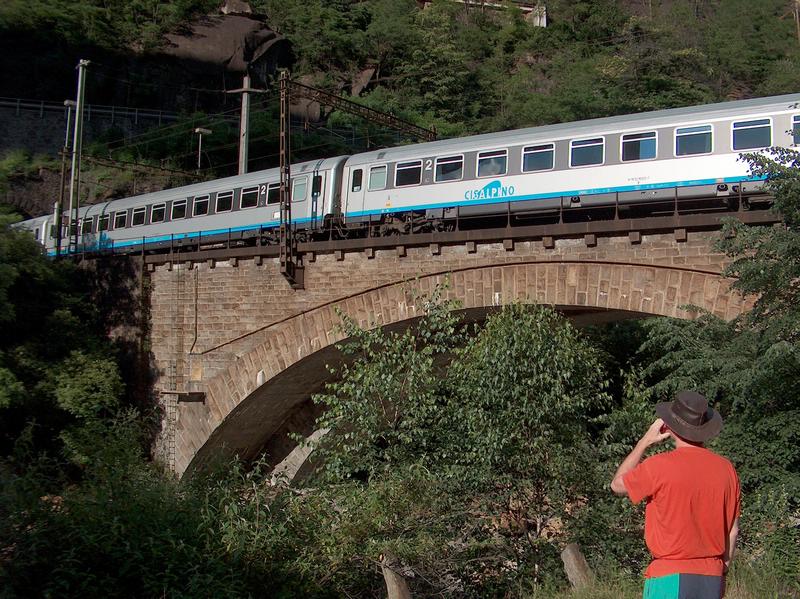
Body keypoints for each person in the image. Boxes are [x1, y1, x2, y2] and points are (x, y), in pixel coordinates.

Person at [610, 390, 740, 599]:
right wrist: (722, 572)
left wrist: (645, 441)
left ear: (669, 426)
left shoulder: (659, 466)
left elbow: (617, 485)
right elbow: (732, 531)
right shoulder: (727, 469)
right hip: (712, 575)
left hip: (669, 576)